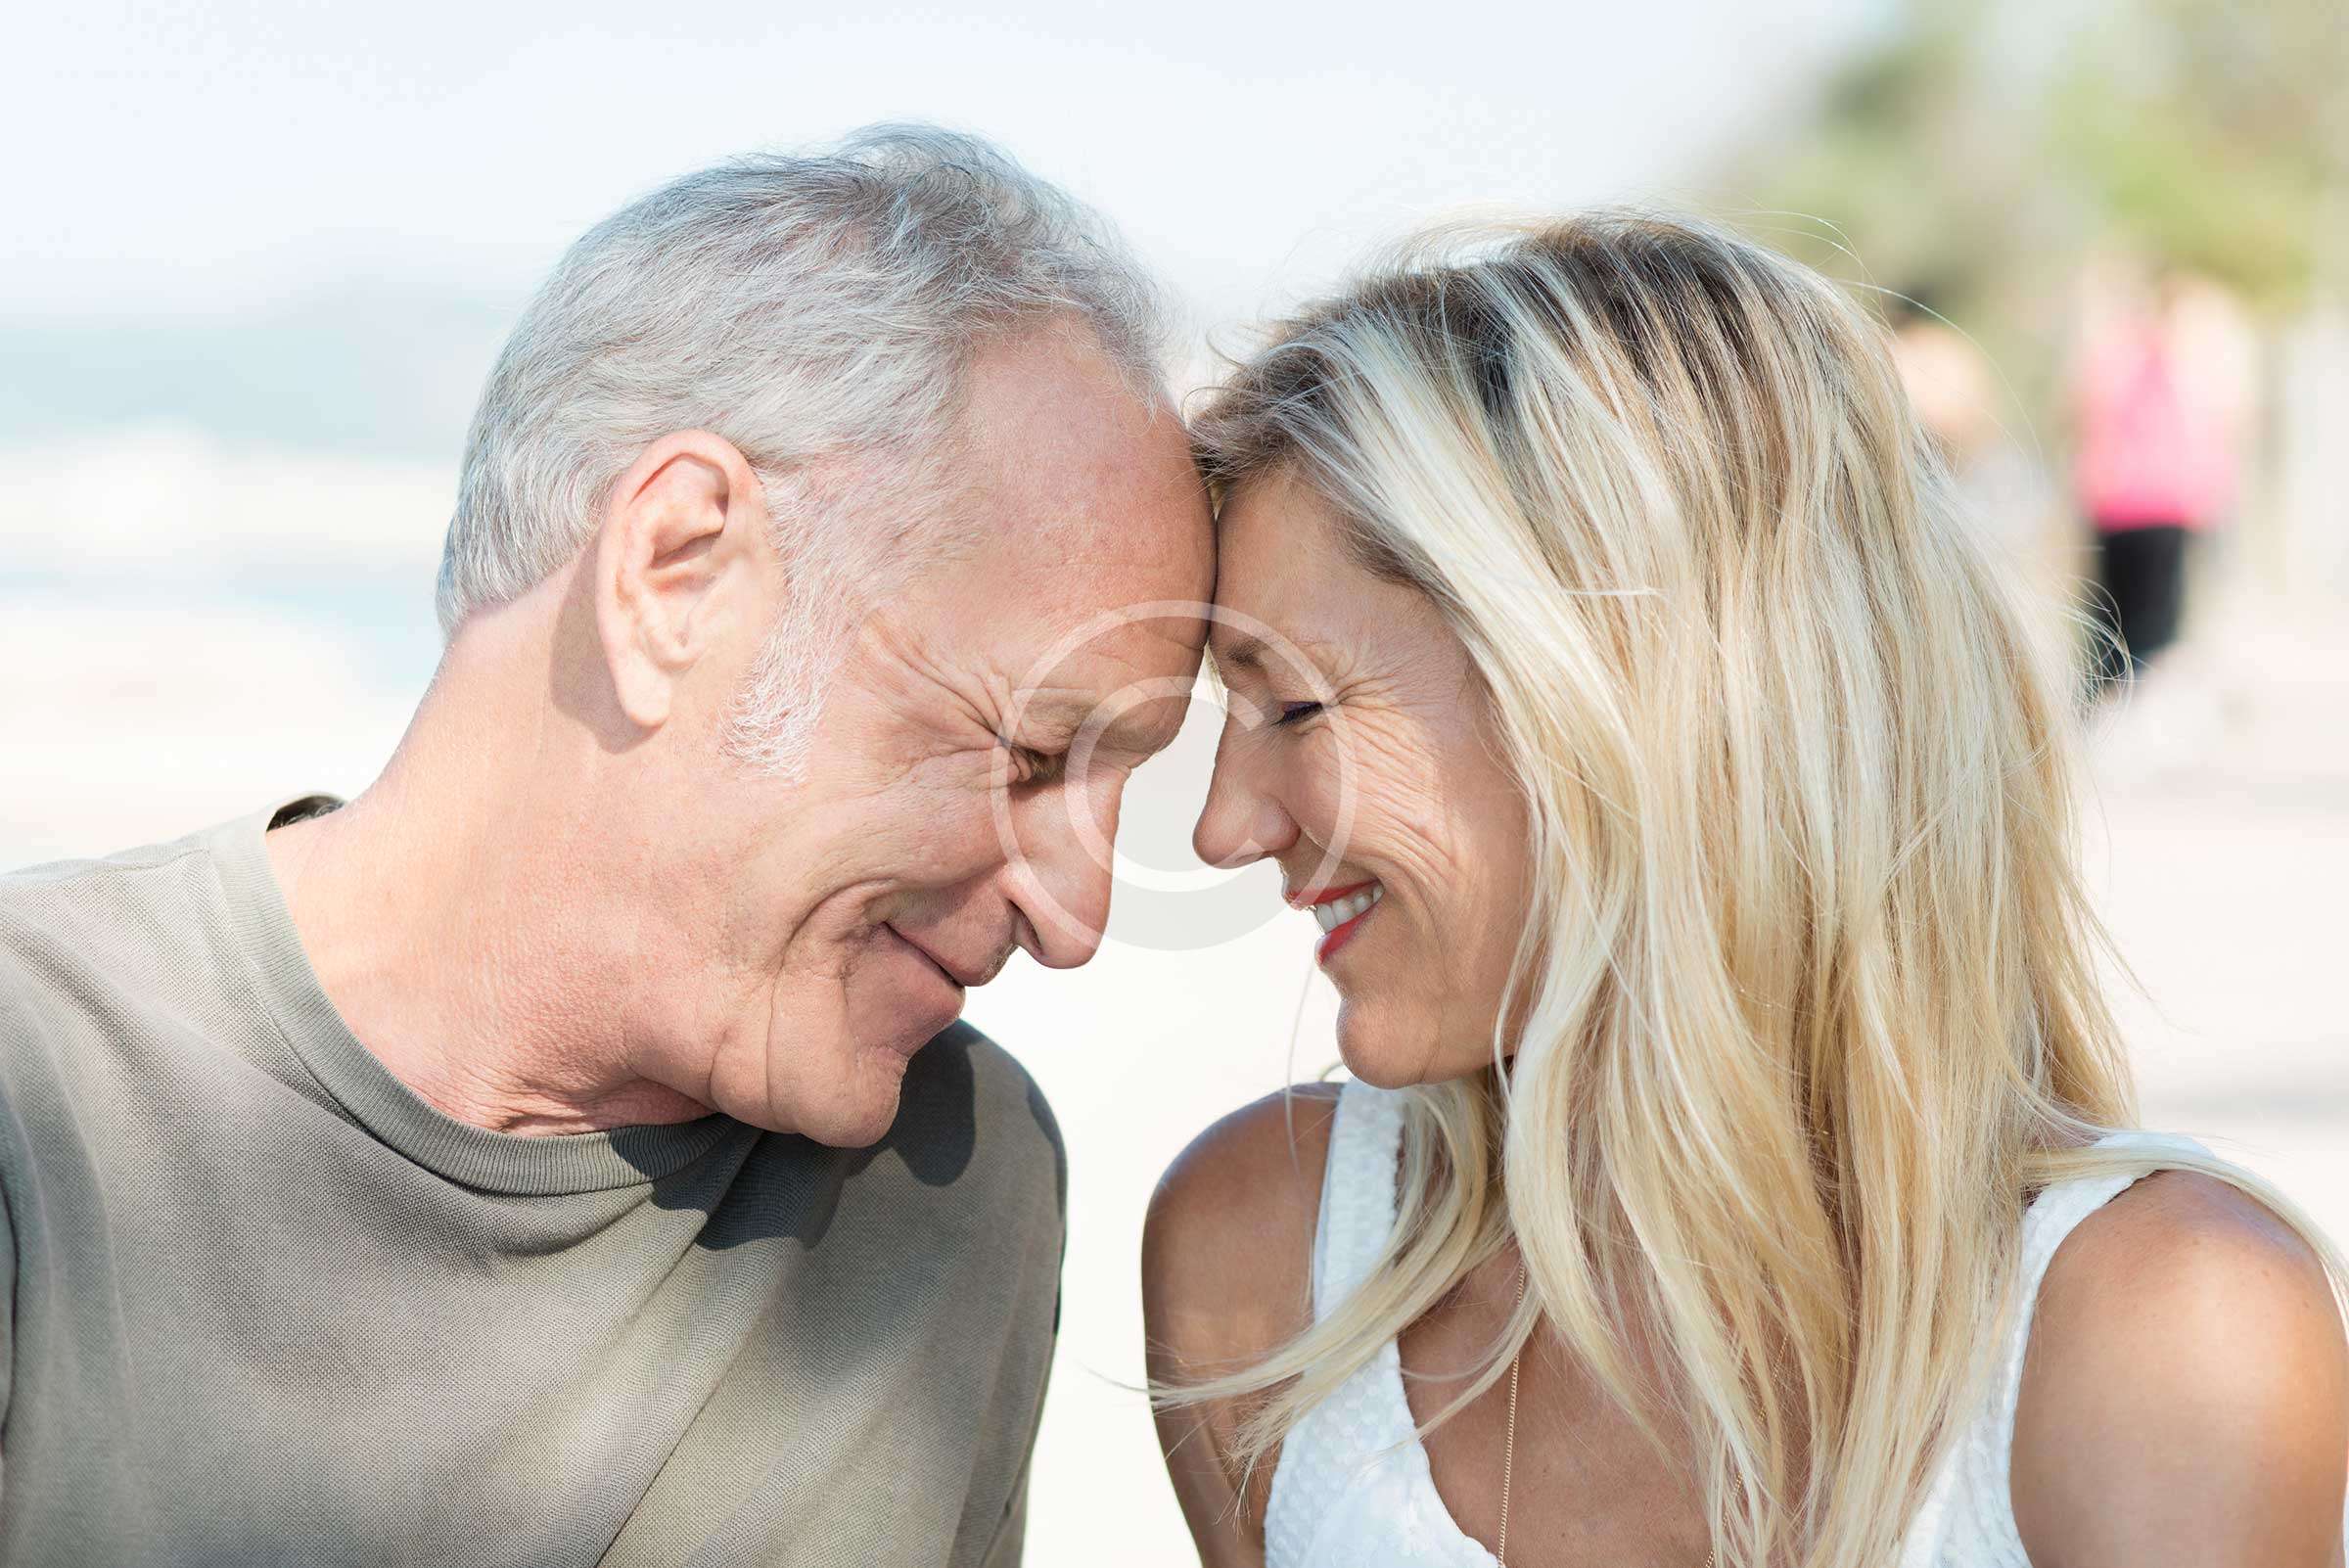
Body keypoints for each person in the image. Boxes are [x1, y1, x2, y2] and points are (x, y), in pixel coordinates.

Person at [0, 126, 1211, 1566]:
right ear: (677, 573)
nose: (1077, 918)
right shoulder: (37, 1089)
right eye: (1029, 754)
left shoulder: (957, 1182)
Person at [1144, 213, 2349, 1567]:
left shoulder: (2160, 1341)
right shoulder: (1267, 1261)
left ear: (1621, 694)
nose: (1222, 826)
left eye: (1295, 706)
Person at [2071, 264, 2257, 695]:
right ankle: (2132, 703)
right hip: (2156, 504)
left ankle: (2116, 702)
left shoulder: (2120, 355)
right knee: (2147, 630)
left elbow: (2085, 415)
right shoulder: (2182, 361)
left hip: (2125, 503)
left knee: (2117, 627)